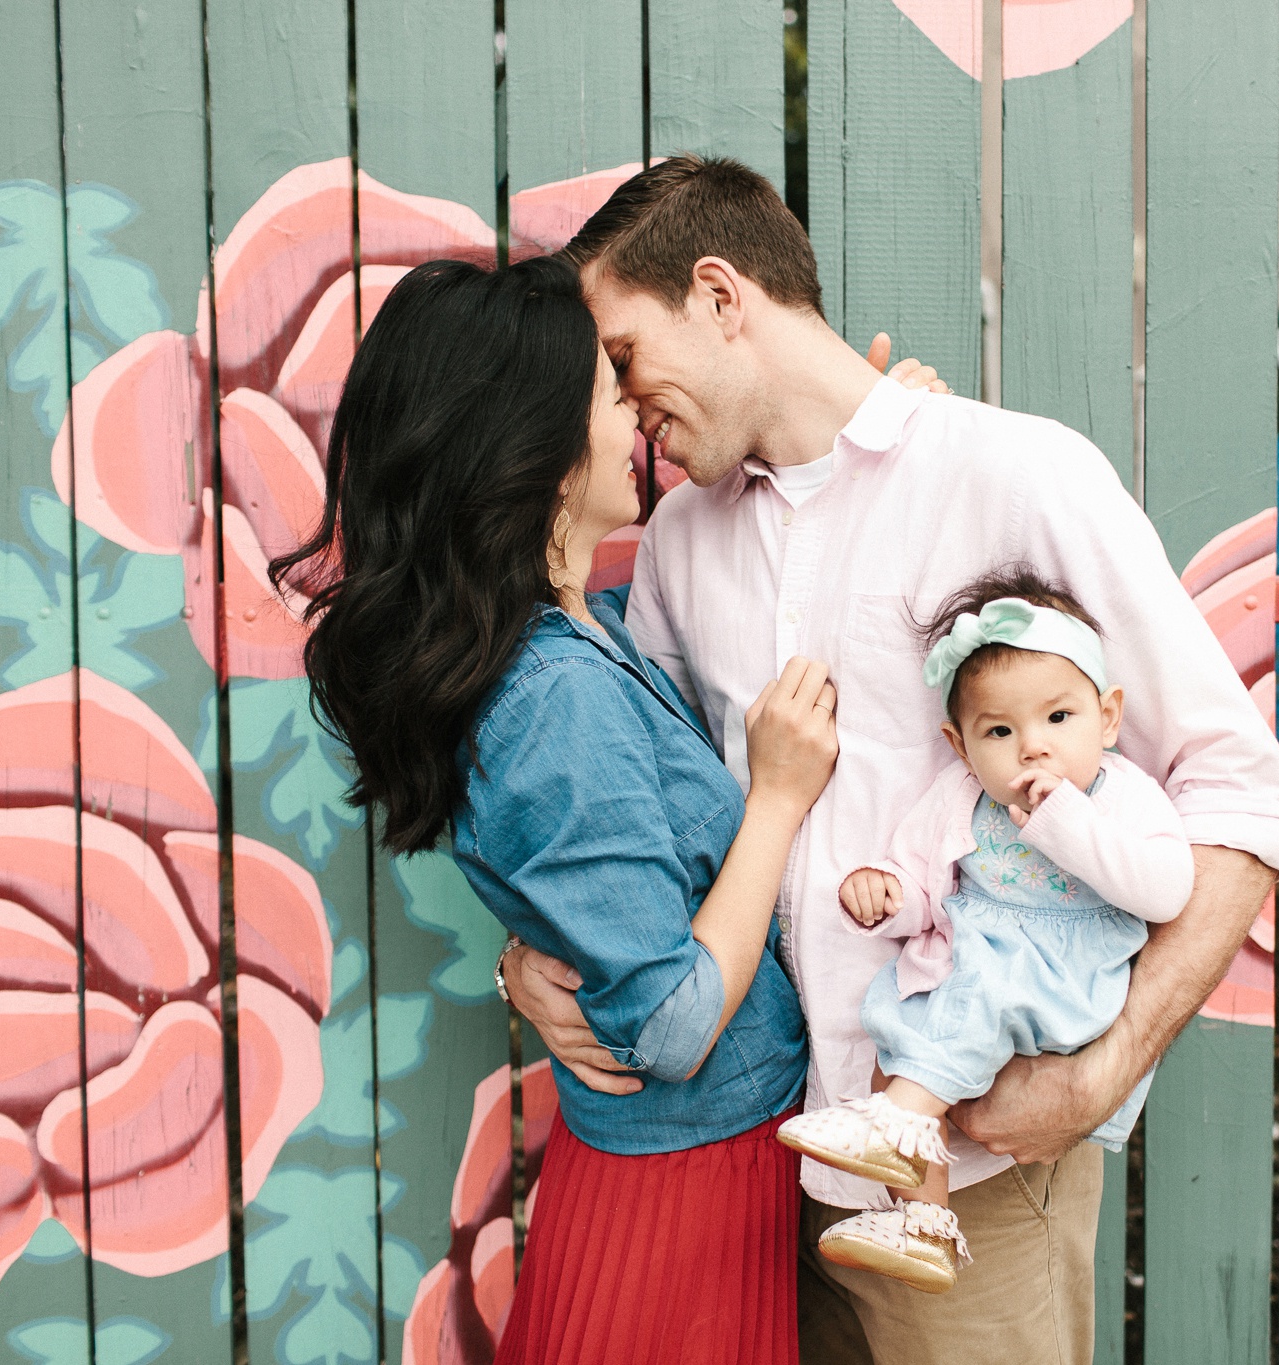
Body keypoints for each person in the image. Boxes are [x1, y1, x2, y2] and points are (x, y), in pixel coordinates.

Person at [498, 155, 1279, 1365]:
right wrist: (535, 951)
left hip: (971, 1177)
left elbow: (1243, 795)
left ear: (720, 297)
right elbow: (632, 804)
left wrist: (1101, 1074)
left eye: (622, 356)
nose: (617, 403)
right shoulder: (675, 545)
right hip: (755, 1168)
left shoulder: (1017, 475)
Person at [273, 253, 864, 1365]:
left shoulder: (579, 629)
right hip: (687, 1191)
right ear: (538, 455)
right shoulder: (554, 696)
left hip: (670, 1171)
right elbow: (673, 1025)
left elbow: (602, 879)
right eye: (610, 393)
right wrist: (779, 796)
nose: (635, 411)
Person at [779, 568, 1194, 1294]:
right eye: (1000, 731)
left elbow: (1165, 889)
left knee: (960, 1015)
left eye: (1058, 719)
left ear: (1107, 715)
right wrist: (891, 897)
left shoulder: (1122, 796)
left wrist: (1069, 824)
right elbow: (924, 881)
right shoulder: (963, 798)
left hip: (1063, 976)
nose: (1032, 748)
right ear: (961, 744)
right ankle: (926, 1224)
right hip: (978, 966)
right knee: (892, 1053)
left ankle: (892, 1124)